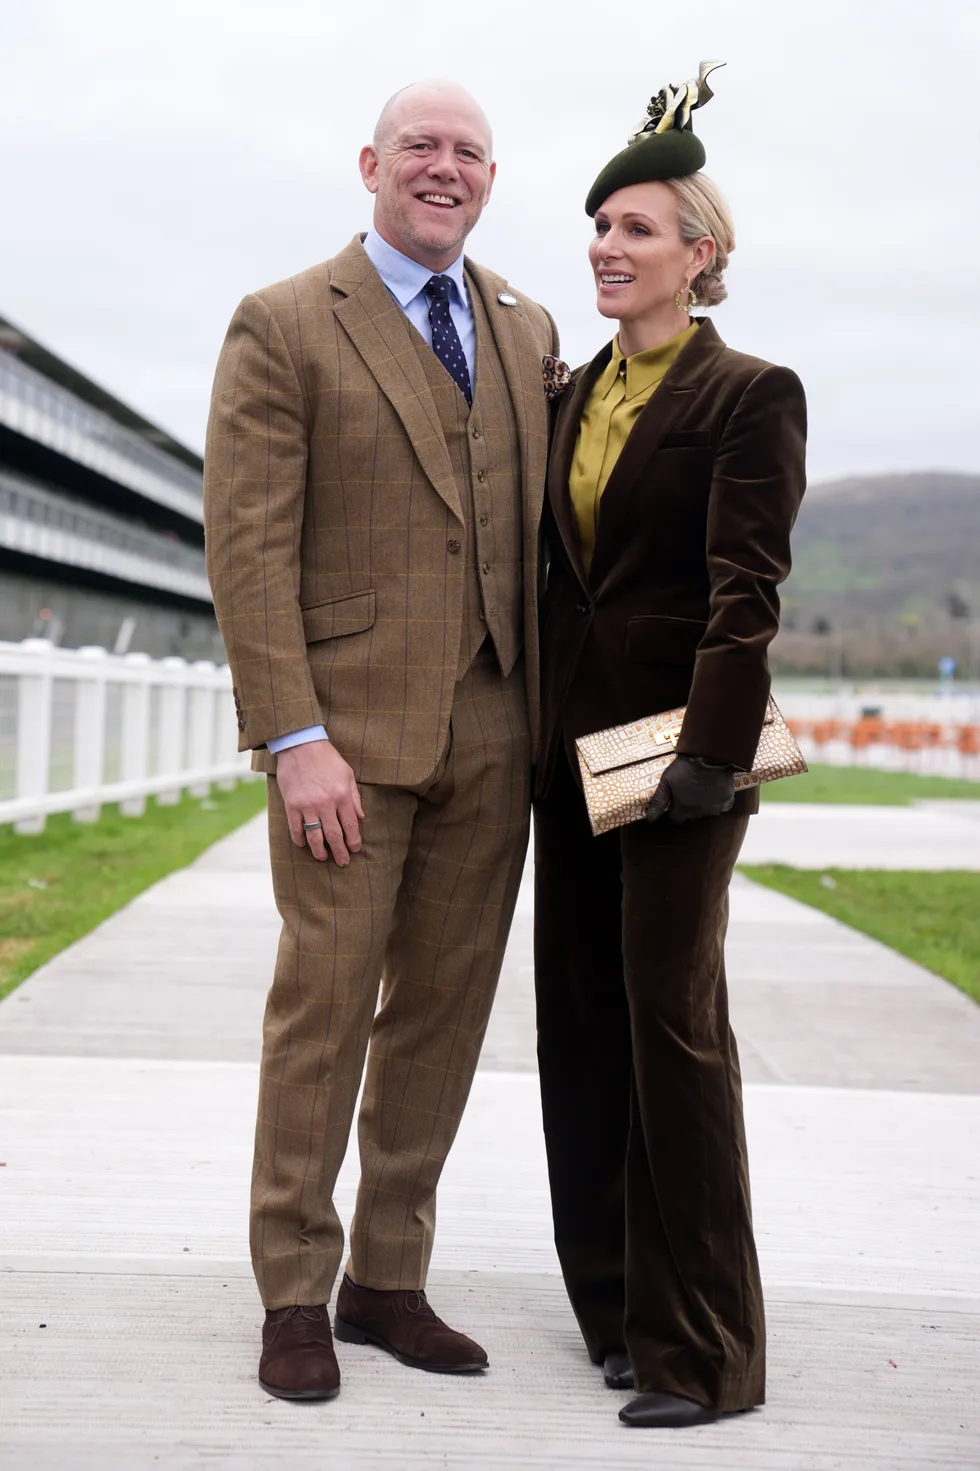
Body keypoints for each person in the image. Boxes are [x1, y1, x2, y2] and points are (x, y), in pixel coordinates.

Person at [204, 79, 558, 1401]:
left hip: (496, 731)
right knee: (326, 1009)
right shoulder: (287, 320)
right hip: (342, 739)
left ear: (490, 178)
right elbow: (248, 547)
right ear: (371, 164)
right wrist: (292, 735)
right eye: (422, 146)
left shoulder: (525, 325)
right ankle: (294, 1286)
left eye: (470, 152)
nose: (445, 167)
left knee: (443, 1019)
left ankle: (388, 1278)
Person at [533, 62, 807, 1429]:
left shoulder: (751, 393)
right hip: (567, 754)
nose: (608, 245)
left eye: (637, 228)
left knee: (672, 1029)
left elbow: (747, 588)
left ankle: (705, 1351)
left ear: (700, 254)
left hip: (683, 763)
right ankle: (617, 1312)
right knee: (579, 1025)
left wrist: (711, 753)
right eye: (600, 226)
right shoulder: (567, 392)